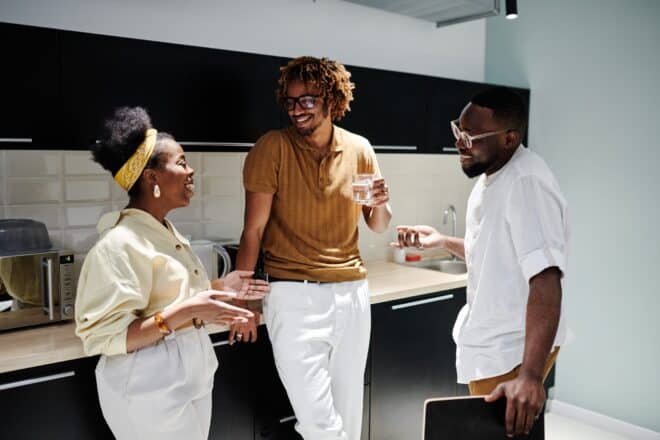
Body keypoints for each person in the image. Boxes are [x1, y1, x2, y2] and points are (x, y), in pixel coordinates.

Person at [74, 106, 268, 440]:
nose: (191, 171)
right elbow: (106, 337)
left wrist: (221, 287)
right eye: (181, 163)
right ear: (152, 178)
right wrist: (191, 309)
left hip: (190, 374)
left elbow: (170, 298)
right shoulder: (119, 245)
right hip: (146, 386)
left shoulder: (164, 231)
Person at [394, 87, 569, 437]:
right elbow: (492, 254)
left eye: (470, 135)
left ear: (509, 138)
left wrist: (530, 377)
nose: (460, 142)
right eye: (458, 130)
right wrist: (443, 242)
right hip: (491, 344)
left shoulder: (526, 182)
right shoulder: (492, 176)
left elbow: (545, 278)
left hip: (511, 350)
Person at [235, 56, 392, 439]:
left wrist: (381, 201)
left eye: (307, 100)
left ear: (331, 100)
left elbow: (377, 224)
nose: (297, 110)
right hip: (293, 296)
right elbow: (252, 231)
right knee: (321, 423)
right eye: (290, 102)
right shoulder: (272, 148)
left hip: (352, 294)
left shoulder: (359, 149)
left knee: (348, 414)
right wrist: (243, 303)